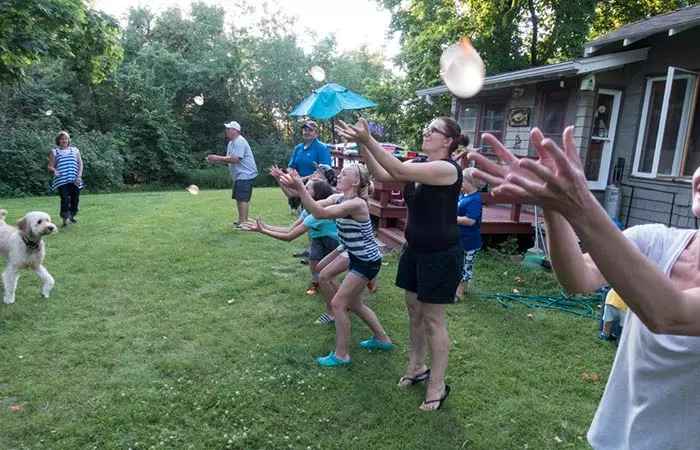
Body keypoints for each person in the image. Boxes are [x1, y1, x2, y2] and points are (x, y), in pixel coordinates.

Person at [467, 125, 700, 450]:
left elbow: (667, 314)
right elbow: (579, 278)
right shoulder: (657, 240)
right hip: (617, 437)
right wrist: (552, 204)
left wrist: (580, 205)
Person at [336, 117, 468, 411]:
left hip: (441, 255)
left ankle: (437, 384)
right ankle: (416, 366)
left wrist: (369, 139)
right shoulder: (421, 164)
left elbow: (397, 168)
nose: (426, 131)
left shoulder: (447, 169)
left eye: (433, 129)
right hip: (414, 251)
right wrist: (361, 142)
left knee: (433, 319)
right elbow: (383, 175)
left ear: (448, 141)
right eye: (426, 127)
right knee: (413, 311)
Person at [278, 164, 391, 367]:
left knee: (339, 304)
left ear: (355, 182)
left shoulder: (357, 204)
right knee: (352, 302)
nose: (339, 176)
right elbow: (313, 204)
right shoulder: (338, 198)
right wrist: (290, 184)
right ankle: (382, 339)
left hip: (366, 260)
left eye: (344, 174)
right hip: (354, 254)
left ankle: (342, 355)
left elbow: (320, 213)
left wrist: (299, 188)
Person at [243, 179, 339, 302]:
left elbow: (289, 236)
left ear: (317, 194)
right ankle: (316, 282)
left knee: (328, 271)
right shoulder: (308, 211)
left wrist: (263, 231)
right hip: (317, 238)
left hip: (332, 241)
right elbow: (290, 229)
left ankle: (340, 299)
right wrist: (265, 227)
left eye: (307, 188)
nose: (304, 189)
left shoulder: (317, 215)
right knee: (314, 261)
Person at [206, 121, 258, 228]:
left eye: (229, 129)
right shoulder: (231, 143)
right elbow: (228, 160)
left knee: (243, 198)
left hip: (246, 174)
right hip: (239, 175)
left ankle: (244, 222)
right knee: (238, 197)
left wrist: (216, 157)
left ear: (235, 131)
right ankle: (241, 219)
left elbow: (234, 159)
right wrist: (215, 160)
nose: (227, 131)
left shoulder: (240, 141)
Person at [287, 121, 331, 213]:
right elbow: (291, 166)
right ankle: (295, 203)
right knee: (284, 178)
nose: (306, 132)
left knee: (304, 183)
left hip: (315, 181)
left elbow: (324, 169)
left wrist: (306, 178)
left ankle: (302, 205)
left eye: (310, 130)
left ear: (316, 133)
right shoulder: (298, 148)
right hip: (299, 178)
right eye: (305, 130)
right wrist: (292, 175)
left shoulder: (321, 147)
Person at [455, 168, 482, 301]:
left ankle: (460, 293)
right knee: (457, 264)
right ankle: (454, 288)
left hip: (469, 241)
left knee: (466, 266)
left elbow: (470, 221)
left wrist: (451, 218)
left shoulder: (475, 200)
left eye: (463, 181)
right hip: (459, 238)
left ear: (472, 182)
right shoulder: (463, 196)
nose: (460, 183)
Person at [47, 131, 84, 227]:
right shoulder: (54, 152)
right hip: (62, 180)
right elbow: (50, 166)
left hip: (75, 179)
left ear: (68, 140)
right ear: (58, 141)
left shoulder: (75, 150)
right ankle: (64, 220)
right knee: (65, 199)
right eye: (62, 139)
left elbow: (80, 163)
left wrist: (79, 175)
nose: (64, 140)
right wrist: (54, 170)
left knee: (75, 199)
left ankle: (73, 216)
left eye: (66, 138)